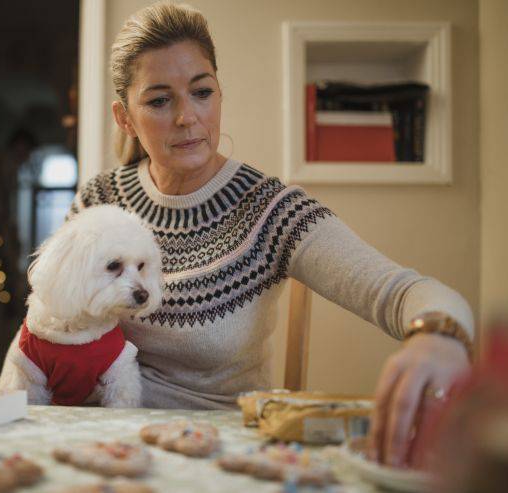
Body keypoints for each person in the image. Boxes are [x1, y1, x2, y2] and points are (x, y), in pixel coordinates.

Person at [68, 1, 473, 469]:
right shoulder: (98, 200)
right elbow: (47, 323)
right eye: (160, 100)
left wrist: (439, 335)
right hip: (98, 443)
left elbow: (407, 292)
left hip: (218, 458)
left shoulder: (271, 210)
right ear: (124, 117)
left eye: (201, 92)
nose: (186, 117)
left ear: (219, 94)